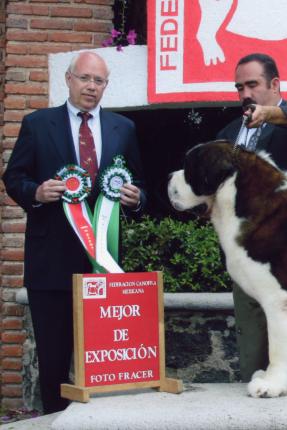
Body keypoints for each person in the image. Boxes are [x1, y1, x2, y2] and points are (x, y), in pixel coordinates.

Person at [3, 51, 146, 413]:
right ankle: (53, 418)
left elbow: (141, 185)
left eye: (99, 81)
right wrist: (35, 192)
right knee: (53, 360)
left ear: (106, 86)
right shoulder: (38, 123)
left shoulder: (123, 128)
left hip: (102, 262)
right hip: (50, 262)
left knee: (103, 360)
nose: (91, 87)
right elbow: (14, 177)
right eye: (85, 78)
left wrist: (137, 198)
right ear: (68, 79)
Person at [216, 53, 287, 382]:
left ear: (275, 84)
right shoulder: (228, 131)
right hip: (245, 260)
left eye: (252, 84)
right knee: (252, 357)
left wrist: (273, 115)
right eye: (239, 87)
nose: (244, 94)